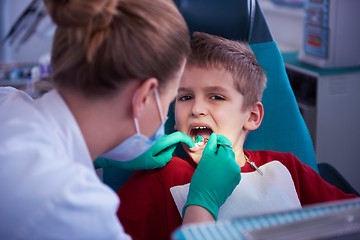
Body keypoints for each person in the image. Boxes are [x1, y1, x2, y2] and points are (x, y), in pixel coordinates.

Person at [0, 1, 240, 239]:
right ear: (144, 97)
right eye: (177, 98)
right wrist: (202, 206)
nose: (197, 109)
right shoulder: (70, 201)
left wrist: (103, 156)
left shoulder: (7, 100)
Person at [116, 32, 358, 240]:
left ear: (252, 116)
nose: (197, 109)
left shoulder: (286, 168)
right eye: (185, 97)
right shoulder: (161, 177)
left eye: (216, 97)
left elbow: (351, 220)